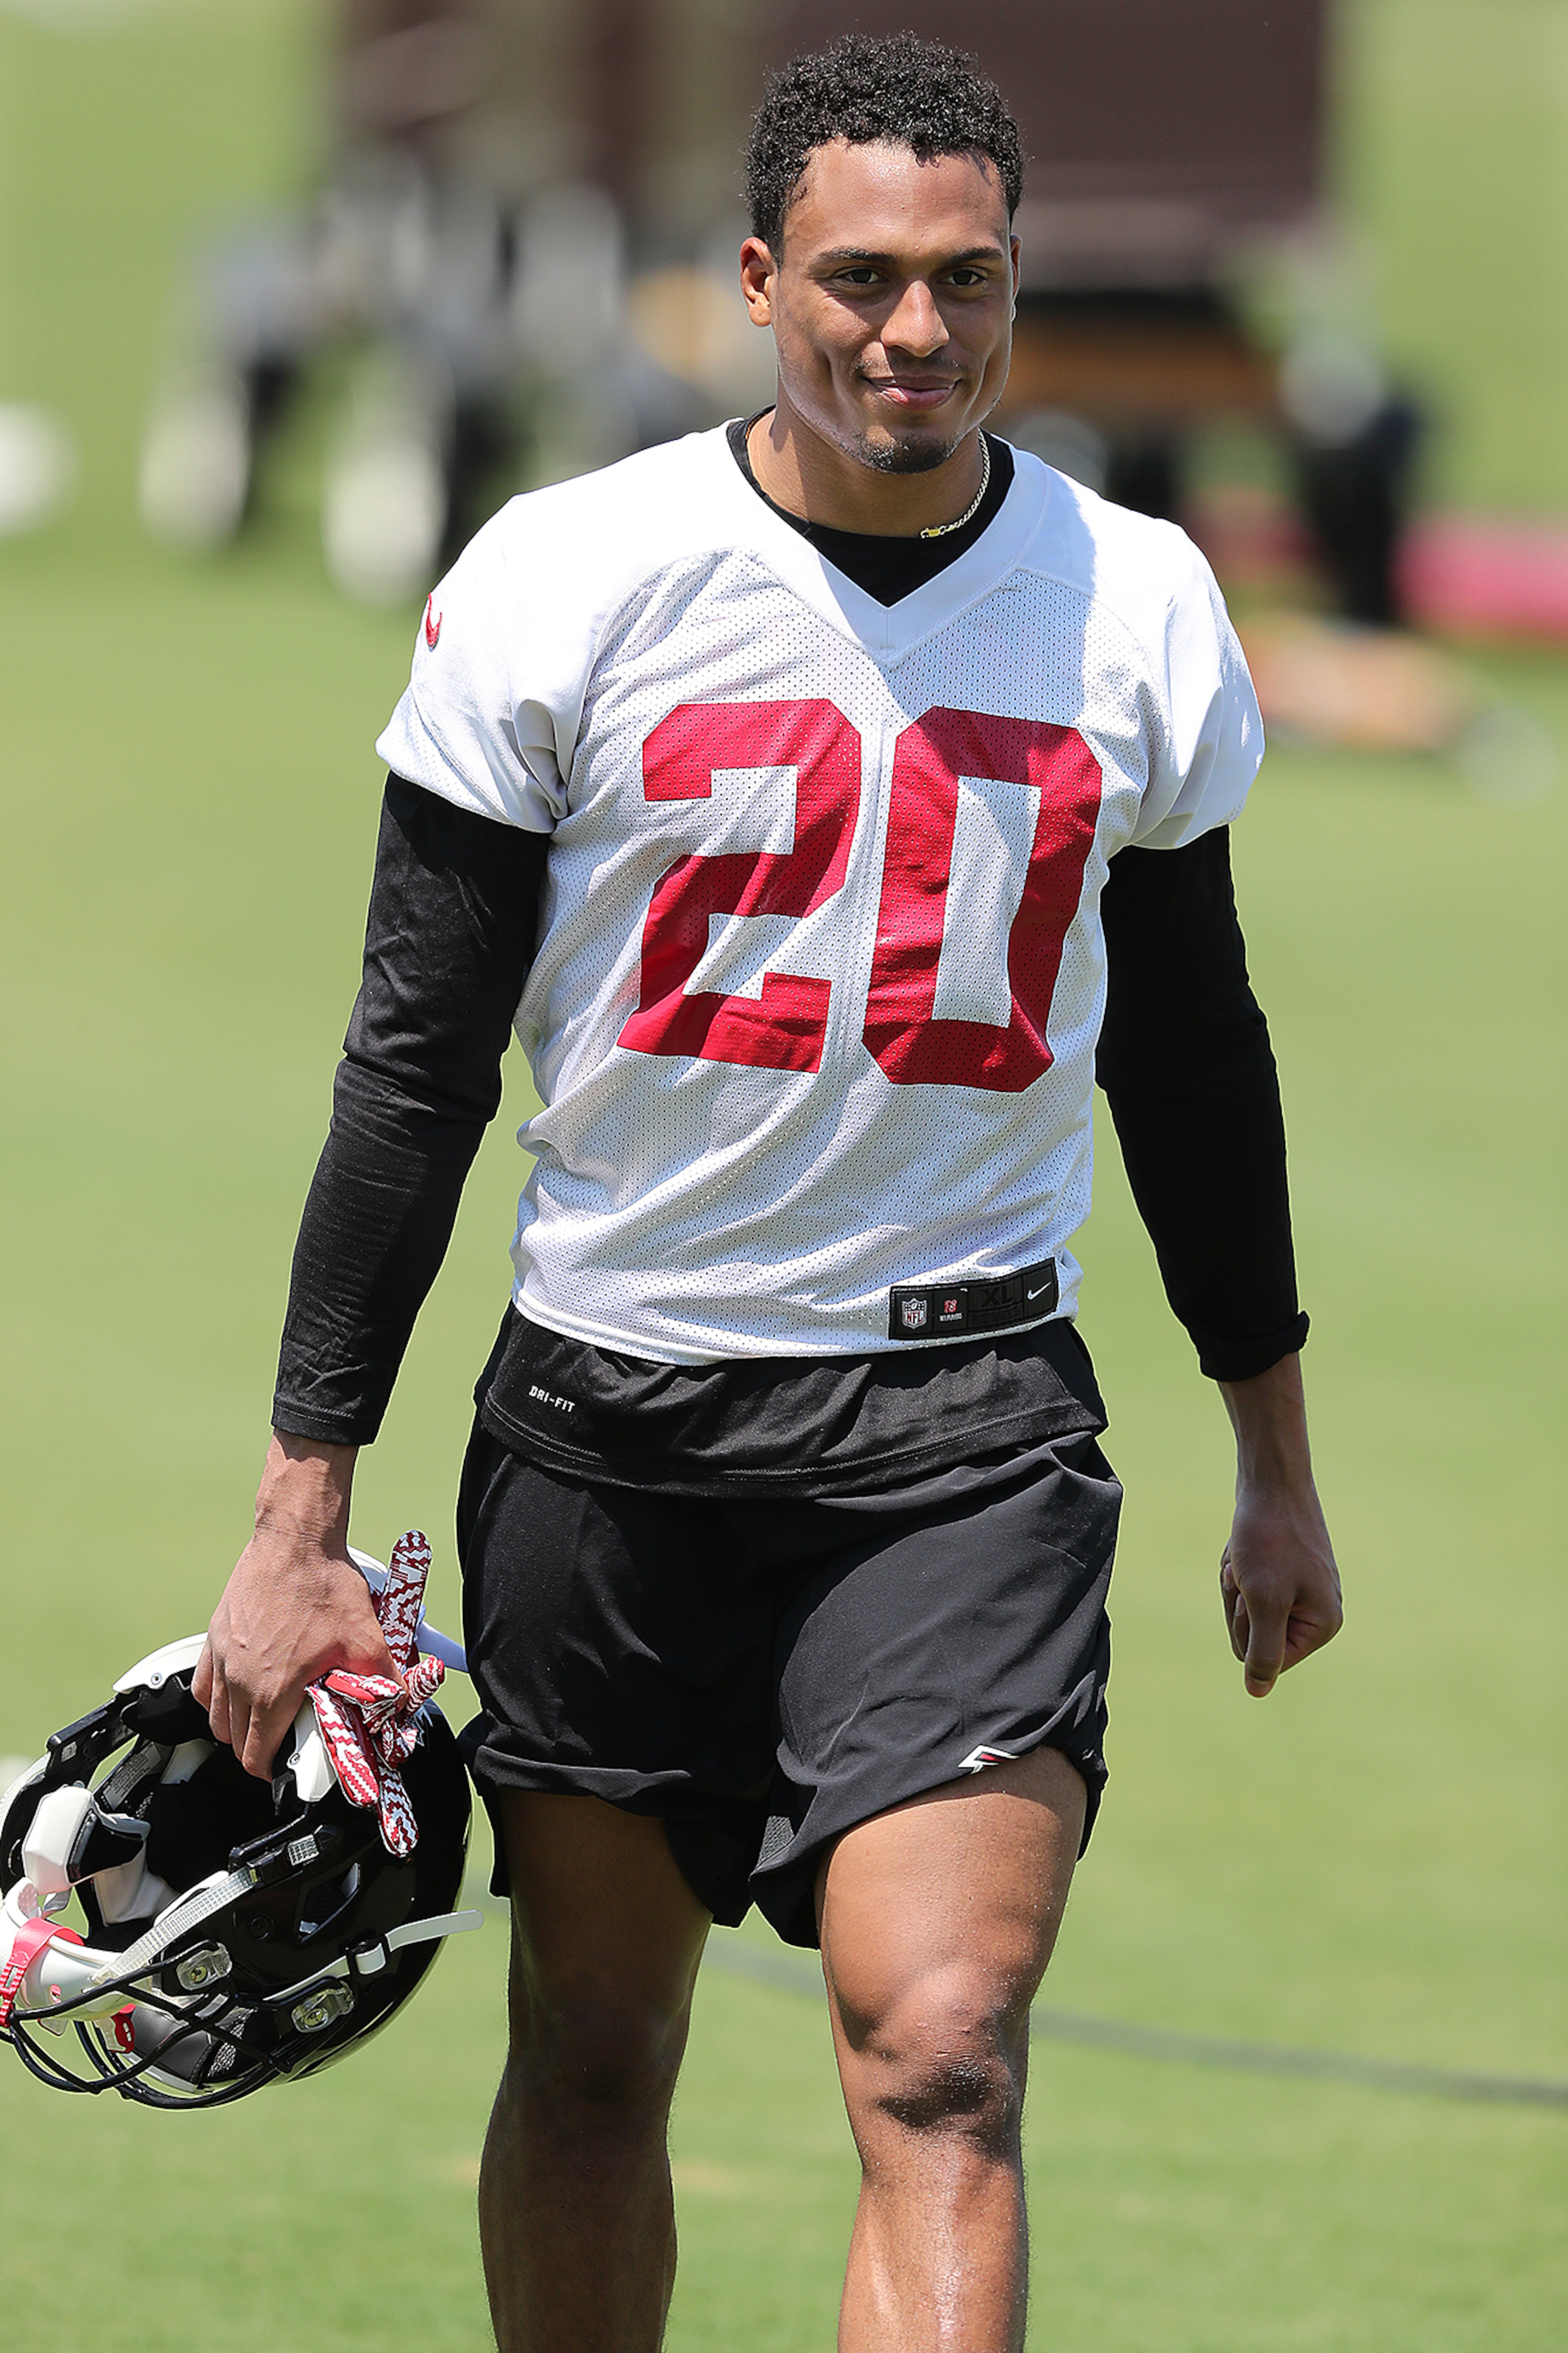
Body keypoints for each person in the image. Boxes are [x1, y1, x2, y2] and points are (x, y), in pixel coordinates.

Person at [195, 33, 1342, 2353]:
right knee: (597, 2052)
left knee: (943, 2049)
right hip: (609, 1425)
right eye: (859, 279)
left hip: (962, 1436)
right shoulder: (568, 574)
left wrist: (1274, 1448)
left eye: (966, 281)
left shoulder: (1133, 604)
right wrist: (299, 1499)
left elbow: (1199, 1058)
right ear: (753, 281)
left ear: (1018, 292)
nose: (913, 331)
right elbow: (412, 1062)